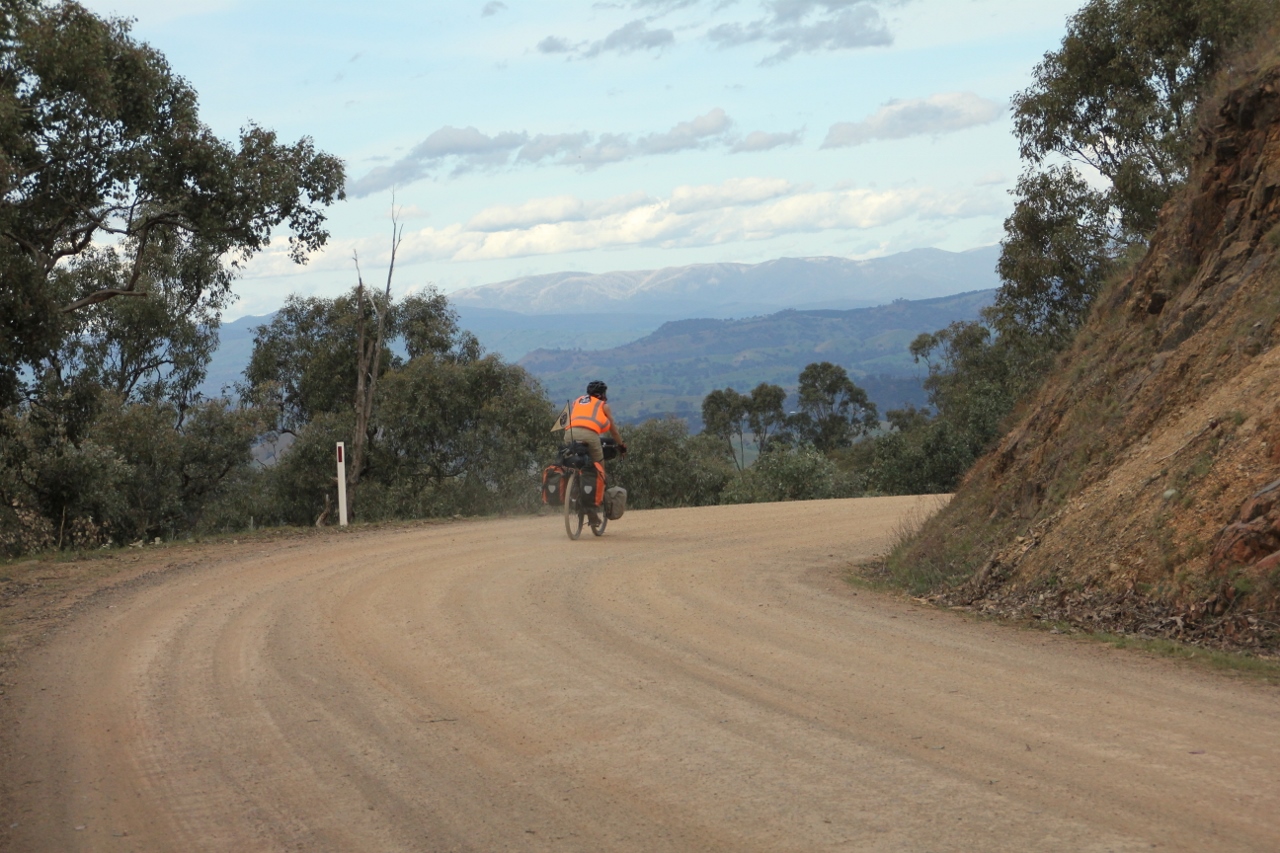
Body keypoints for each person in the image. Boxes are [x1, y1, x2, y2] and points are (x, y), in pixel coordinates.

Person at [565, 380, 626, 465]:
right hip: (589, 435)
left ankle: (569, 476)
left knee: (570, 464)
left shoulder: (577, 401)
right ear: (601, 394)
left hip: (569, 434)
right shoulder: (603, 405)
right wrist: (622, 446)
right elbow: (614, 432)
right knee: (599, 467)